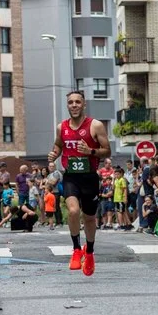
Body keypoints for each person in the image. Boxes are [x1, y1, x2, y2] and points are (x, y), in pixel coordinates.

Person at [46, 90, 111, 276]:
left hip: (89, 177)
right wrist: (54, 154)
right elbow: (59, 145)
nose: (74, 105)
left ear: (84, 104)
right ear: (67, 105)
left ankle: (89, 252)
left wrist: (90, 151)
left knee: (89, 217)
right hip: (71, 177)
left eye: (77, 102)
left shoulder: (95, 125)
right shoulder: (62, 127)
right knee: (73, 211)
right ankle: (76, 249)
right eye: (70, 102)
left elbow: (107, 150)